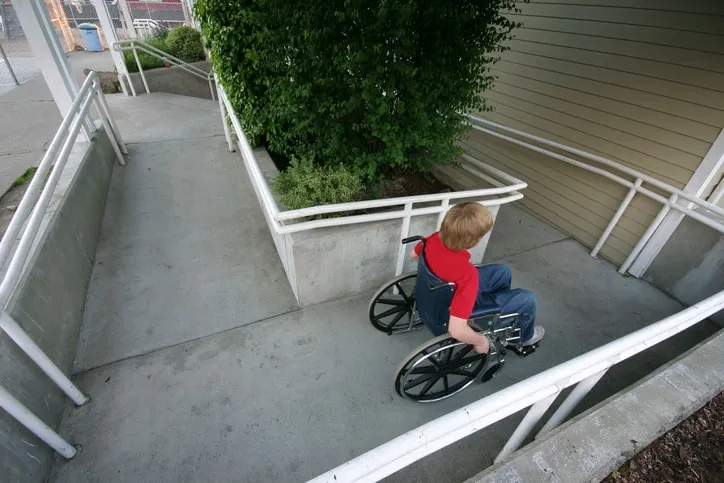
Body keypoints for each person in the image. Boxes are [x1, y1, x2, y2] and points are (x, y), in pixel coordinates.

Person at [411, 202, 544, 354]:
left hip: (432, 294)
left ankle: (498, 318)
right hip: (447, 310)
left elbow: (414, 255)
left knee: (502, 271)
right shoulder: (467, 274)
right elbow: (456, 330)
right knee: (528, 299)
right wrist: (481, 342)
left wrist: (438, 272)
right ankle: (522, 337)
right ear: (473, 241)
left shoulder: (433, 239)